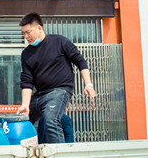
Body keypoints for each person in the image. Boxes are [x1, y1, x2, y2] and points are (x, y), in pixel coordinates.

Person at [17, 13, 95, 143]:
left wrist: (88, 84)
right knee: (23, 121)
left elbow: (80, 61)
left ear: (39, 28)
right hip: (39, 95)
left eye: (28, 32)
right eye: (23, 33)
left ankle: (59, 154)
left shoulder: (59, 41)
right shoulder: (26, 54)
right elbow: (27, 81)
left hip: (60, 91)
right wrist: (25, 105)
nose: (26, 36)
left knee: (51, 120)